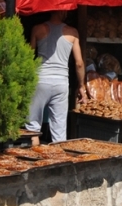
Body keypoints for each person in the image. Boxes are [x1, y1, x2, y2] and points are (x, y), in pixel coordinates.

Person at [24, 10, 88, 143]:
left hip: (40, 80)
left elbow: (29, 58)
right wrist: (81, 85)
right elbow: (79, 63)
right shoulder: (73, 33)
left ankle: (34, 160)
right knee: (59, 130)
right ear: (63, 11)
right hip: (61, 83)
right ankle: (58, 161)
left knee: (33, 128)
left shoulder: (37, 29)